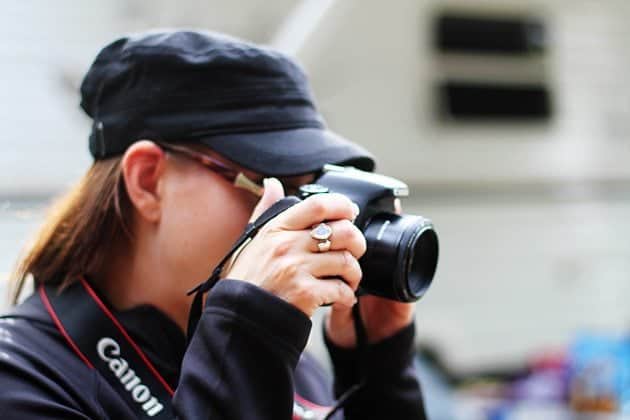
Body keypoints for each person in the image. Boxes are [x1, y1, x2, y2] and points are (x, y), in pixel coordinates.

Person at [0, 30, 427, 419]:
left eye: (311, 188)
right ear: (148, 181)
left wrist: (381, 367)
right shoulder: (24, 378)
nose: (300, 215)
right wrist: (247, 337)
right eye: (268, 182)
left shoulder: (287, 364)